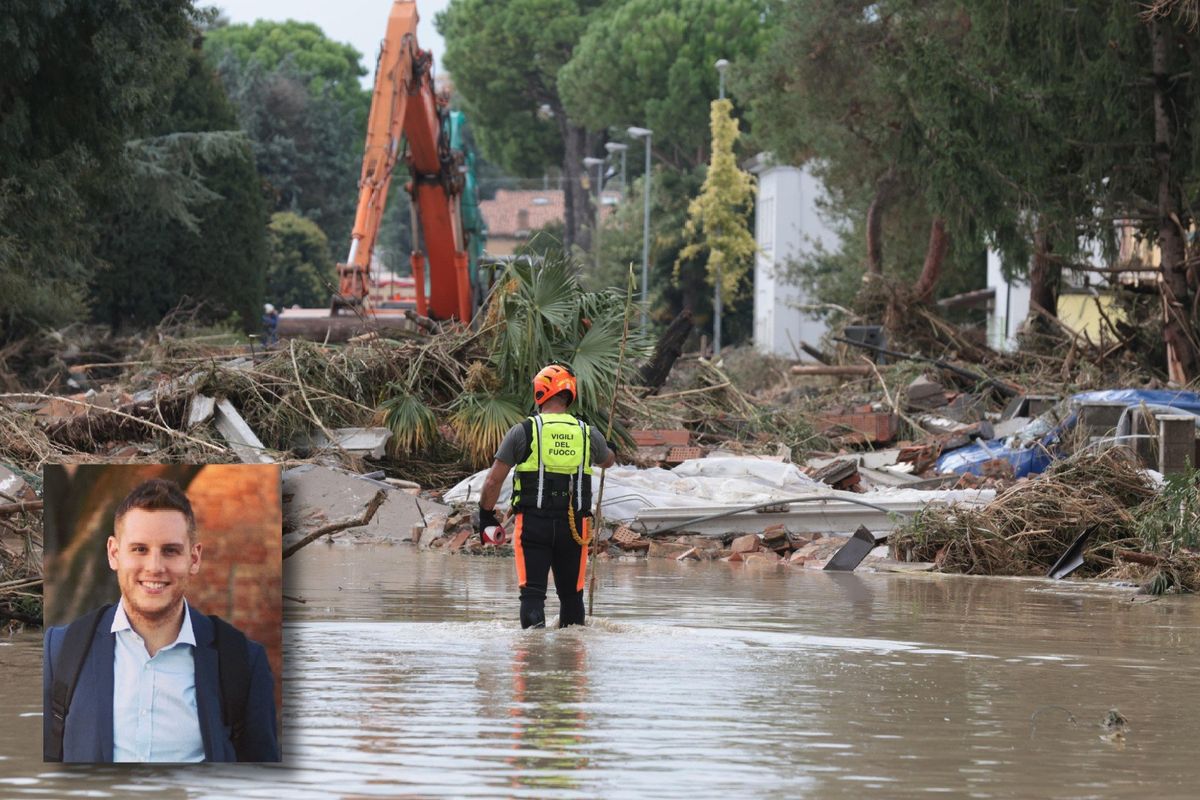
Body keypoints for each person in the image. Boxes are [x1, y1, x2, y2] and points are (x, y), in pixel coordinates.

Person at [43, 479, 280, 763]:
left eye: (170, 550)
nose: (154, 567)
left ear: (194, 558)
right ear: (114, 553)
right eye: (140, 549)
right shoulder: (60, 651)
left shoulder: (243, 661)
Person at [477, 363, 616, 629]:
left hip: (533, 525)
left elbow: (494, 479)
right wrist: (610, 449)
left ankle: (531, 661)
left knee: (532, 596)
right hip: (575, 527)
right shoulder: (588, 433)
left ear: (540, 392)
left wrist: (485, 515)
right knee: (572, 597)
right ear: (569, 394)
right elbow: (608, 460)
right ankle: (572, 661)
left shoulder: (524, 431)